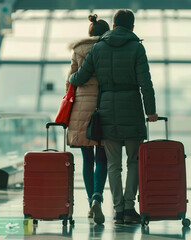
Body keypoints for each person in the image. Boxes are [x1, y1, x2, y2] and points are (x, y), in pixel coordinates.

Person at [69, 9, 158, 224]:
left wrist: (72, 75)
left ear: (114, 26)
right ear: (132, 28)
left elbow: (79, 77)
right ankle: (129, 208)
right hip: (132, 108)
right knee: (134, 161)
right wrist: (151, 111)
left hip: (106, 109)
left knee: (113, 164)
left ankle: (117, 211)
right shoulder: (137, 48)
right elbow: (146, 83)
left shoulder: (99, 48)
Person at [65, 14, 110, 224]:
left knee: (87, 159)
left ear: (90, 32)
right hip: (104, 108)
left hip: (81, 109)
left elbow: (70, 82)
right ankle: (97, 199)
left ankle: (90, 203)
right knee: (103, 158)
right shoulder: (109, 48)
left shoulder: (78, 50)